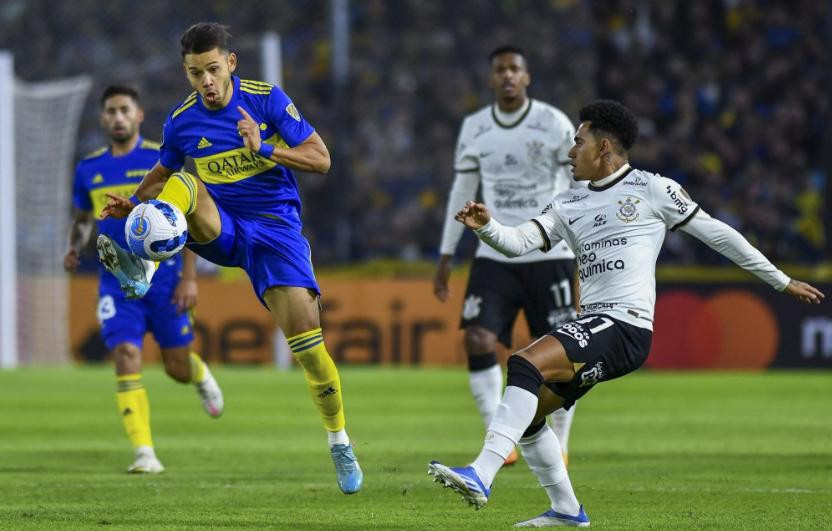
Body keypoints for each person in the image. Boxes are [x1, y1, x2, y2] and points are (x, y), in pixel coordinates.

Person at [428, 100, 824, 527]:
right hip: (596, 323)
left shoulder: (653, 189)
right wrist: (487, 226)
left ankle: (481, 474)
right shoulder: (567, 202)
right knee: (528, 415)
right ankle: (566, 511)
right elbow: (519, 241)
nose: (569, 152)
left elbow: (718, 235)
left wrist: (780, 280)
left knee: (524, 362)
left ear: (604, 148)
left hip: (626, 325)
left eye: (577, 143)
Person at [97, 23, 362, 494]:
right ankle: (144, 259)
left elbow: (321, 159)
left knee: (312, 354)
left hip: (277, 233)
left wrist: (265, 149)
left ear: (231, 64)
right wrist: (134, 204)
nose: (206, 82)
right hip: (222, 225)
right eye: (195, 73)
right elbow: (164, 171)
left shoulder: (266, 99)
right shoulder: (181, 121)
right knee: (188, 185)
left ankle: (339, 440)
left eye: (213, 70)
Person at [65, 85, 224, 474]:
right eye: (110, 111)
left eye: (124, 110)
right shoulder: (88, 170)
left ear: (138, 115)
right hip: (116, 280)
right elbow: (84, 219)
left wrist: (190, 278)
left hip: (167, 280)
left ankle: (199, 374)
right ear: (103, 119)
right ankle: (144, 452)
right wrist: (74, 246)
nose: (117, 117)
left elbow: (184, 221)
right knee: (126, 354)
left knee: (175, 367)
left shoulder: (162, 159)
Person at [435, 45, 580, 466]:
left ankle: (561, 441)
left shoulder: (552, 123)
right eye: (500, 70)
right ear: (491, 78)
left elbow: (577, 187)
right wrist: (446, 253)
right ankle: (501, 438)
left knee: (561, 355)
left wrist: (582, 243)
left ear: (527, 77)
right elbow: (460, 195)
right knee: (477, 337)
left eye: (515, 69)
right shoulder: (476, 128)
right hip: (494, 253)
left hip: (548, 252)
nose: (508, 76)